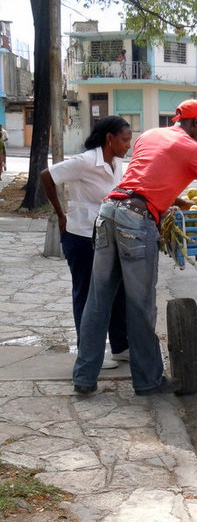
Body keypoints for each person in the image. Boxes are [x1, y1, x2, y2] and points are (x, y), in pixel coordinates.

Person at [73, 99, 197, 397]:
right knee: (139, 306)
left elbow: (144, 178)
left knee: (98, 302)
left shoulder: (149, 135)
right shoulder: (192, 148)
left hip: (108, 211)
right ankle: (148, 381)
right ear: (195, 122)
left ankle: (84, 379)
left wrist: (173, 200)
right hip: (135, 222)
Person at [40, 116, 132, 369]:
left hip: (108, 234)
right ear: (109, 138)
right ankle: (89, 352)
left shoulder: (117, 163)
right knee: (88, 294)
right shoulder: (85, 161)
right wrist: (60, 214)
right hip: (81, 235)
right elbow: (46, 176)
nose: (128, 145)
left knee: (117, 290)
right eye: (124, 140)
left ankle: (121, 346)